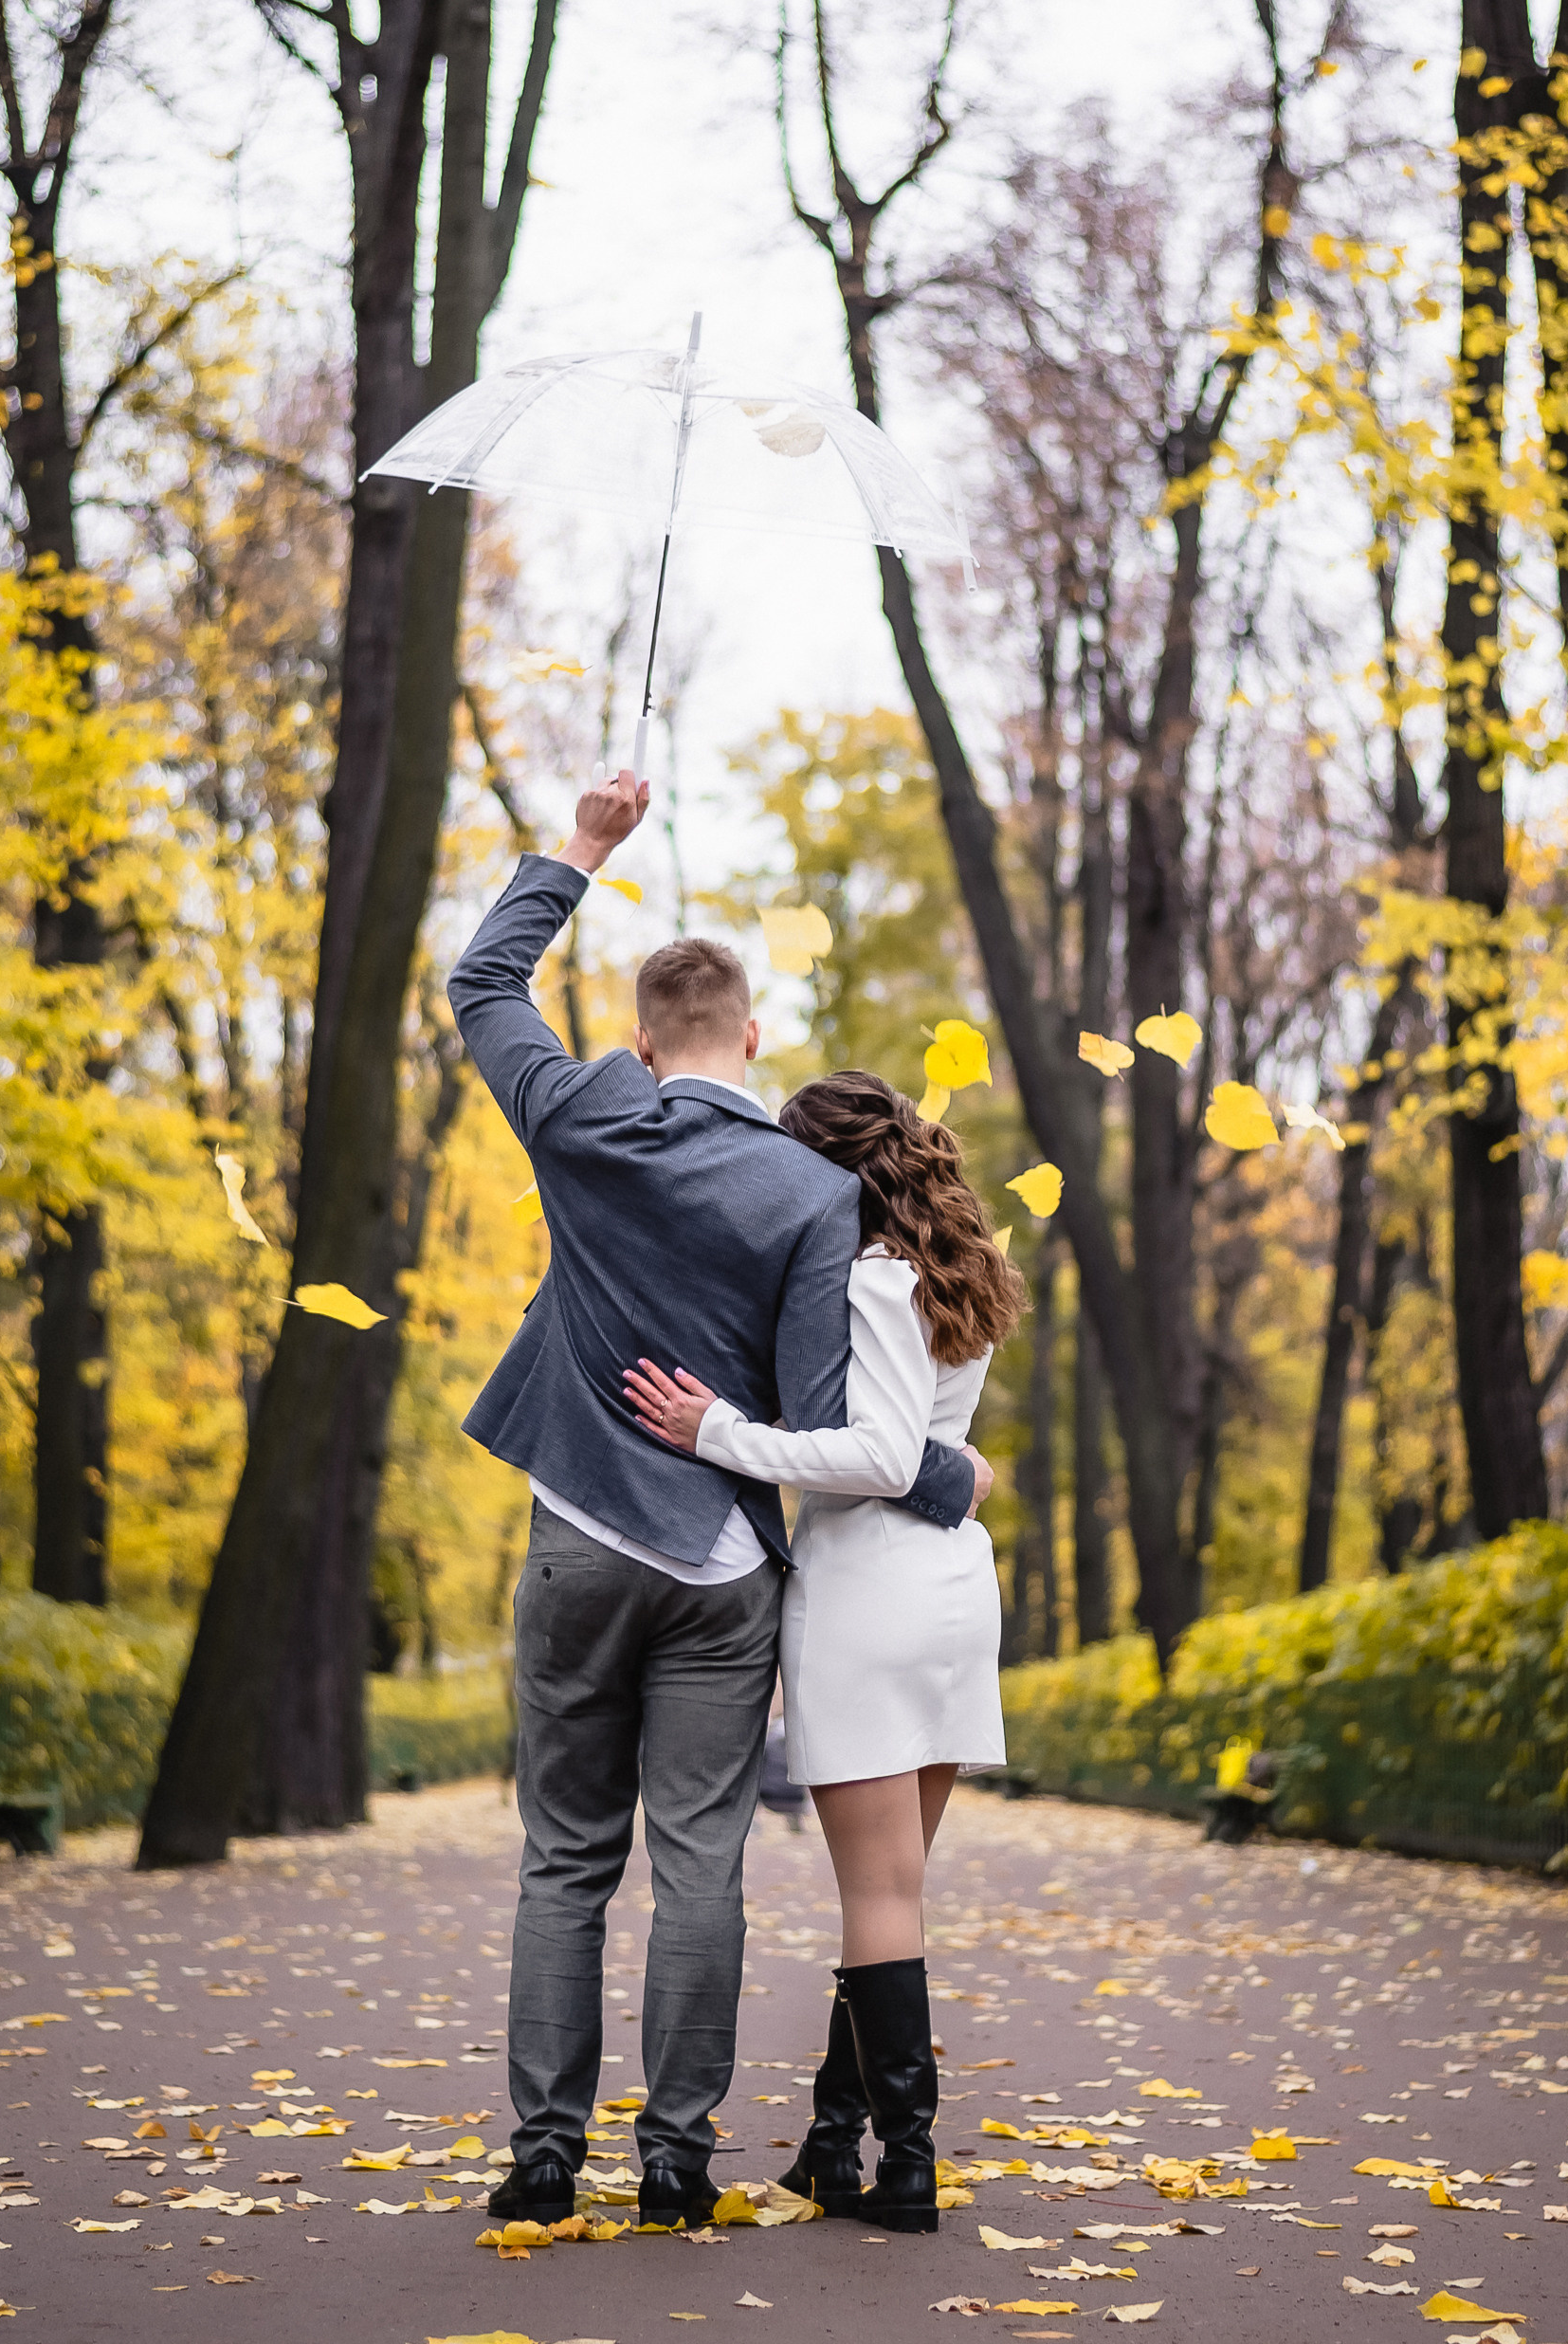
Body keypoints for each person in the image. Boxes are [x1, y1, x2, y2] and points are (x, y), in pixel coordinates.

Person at [446, 772, 990, 2233]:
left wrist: (586, 846)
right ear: (753, 1041)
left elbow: (481, 978)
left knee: (562, 1860)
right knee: (701, 1864)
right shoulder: (811, 1195)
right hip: (722, 1568)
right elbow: (831, 1419)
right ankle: (676, 2161)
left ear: (639, 1038)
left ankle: (546, 2155)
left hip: (577, 1539)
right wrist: (945, 1468)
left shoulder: (576, 1116)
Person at [626, 1069, 1026, 2233]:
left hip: (870, 1589)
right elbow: (934, 1447)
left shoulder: (870, 1278)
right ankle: (831, 2145)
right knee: (893, 1896)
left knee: (879, 1900)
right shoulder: (952, 1267)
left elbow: (885, 1454)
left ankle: (907, 2165)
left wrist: (720, 1433)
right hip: (951, 1593)